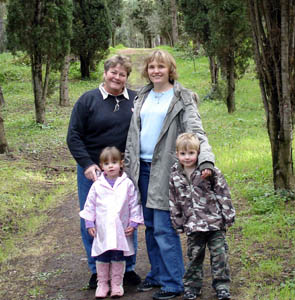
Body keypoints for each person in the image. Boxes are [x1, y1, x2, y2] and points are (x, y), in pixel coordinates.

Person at [124, 49, 215, 300]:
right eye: (152, 66)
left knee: (165, 227)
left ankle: (174, 282)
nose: (156, 71)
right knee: (150, 226)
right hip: (140, 169)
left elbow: (197, 132)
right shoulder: (143, 95)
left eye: (161, 67)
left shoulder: (182, 97)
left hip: (165, 170)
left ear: (170, 70)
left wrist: (206, 159)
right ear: (147, 70)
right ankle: (157, 274)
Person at [67, 55, 141, 289]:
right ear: (105, 72)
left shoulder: (136, 101)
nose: (117, 77)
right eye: (113, 72)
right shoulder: (88, 100)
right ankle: (96, 268)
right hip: (93, 172)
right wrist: (88, 165)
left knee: (125, 217)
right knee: (93, 218)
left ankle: (127, 268)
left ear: (127, 78)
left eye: (122, 74)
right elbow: (74, 136)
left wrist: (129, 163)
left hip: (123, 173)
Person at [169, 133, 235, 300]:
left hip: (214, 223)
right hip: (193, 225)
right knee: (194, 257)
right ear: (177, 154)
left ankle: (222, 286)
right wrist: (177, 222)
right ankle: (192, 287)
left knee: (219, 255)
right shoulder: (175, 174)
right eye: (183, 154)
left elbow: (222, 192)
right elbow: (174, 199)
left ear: (198, 153)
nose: (187, 157)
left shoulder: (209, 171)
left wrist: (228, 214)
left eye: (191, 153)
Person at [80, 146, 144, 298]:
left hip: (120, 228)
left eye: (114, 162)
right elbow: (90, 205)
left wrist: (134, 223)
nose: (111, 166)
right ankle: (102, 284)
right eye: (107, 163)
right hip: (102, 228)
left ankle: (116, 284)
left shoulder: (126, 184)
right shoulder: (97, 185)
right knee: (102, 254)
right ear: (101, 166)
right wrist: (89, 223)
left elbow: (134, 204)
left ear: (121, 163)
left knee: (117, 255)